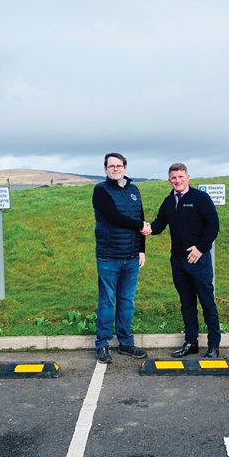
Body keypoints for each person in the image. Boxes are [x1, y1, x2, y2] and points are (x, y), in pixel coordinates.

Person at [142, 162, 221, 358]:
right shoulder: (169, 201)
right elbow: (160, 224)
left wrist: (201, 248)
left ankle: (213, 345)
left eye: (181, 177)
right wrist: (148, 228)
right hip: (178, 261)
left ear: (188, 178)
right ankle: (191, 343)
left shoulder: (200, 198)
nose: (177, 181)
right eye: (174, 178)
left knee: (207, 302)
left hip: (198, 259)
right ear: (169, 180)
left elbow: (213, 226)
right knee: (186, 303)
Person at [92, 152, 148, 364]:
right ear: (105, 169)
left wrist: (142, 249)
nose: (115, 169)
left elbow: (139, 219)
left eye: (118, 165)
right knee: (107, 300)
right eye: (110, 166)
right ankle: (103, 344)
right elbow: (112, 217)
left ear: (125, 167)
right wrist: (140, 226)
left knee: (127, 301)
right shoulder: (100, 190)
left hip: (131, 256)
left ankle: (126, 342)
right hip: (109, 256)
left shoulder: (134, 190)